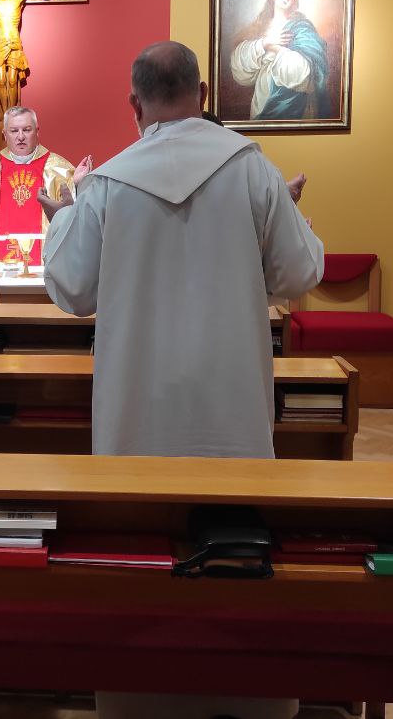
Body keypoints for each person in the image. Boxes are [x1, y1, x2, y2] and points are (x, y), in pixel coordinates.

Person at [41, 41, 323, 719]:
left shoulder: (109, 182)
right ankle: (245, 700)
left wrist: (62, 225)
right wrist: (279, 223)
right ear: (202, 95)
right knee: (233, 542)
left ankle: (139, 697)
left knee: (136, 546)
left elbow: (72, 290)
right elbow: (300, 273)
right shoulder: (251, 170)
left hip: (138, 406)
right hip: (230, 404)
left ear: (133, 104)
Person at [0, 106, 91, 268]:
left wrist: (78, 184)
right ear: (5, 134)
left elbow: (71, 213)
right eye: (14, 131)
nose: (20, 137)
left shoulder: (58, 168)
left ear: (37, 131)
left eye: (26, 130)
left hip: (44, 261)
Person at [230, 0, 329, 121]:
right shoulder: (259, 26)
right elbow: (239, 66)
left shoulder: (301, 27)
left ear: (295, 2)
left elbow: (306, 71)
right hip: (262, 96)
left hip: (293, 99)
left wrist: (274, 47)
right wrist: (265, 43)